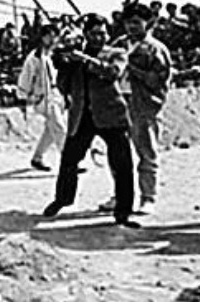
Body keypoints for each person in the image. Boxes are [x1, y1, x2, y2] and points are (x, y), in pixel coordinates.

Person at [42, 15, 138, 227]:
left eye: (102, 33)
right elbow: (64, 85)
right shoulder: (76, 55)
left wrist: (85, 60)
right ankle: (63, 199)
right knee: (69, 160)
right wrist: (65, 64)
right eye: (94, 33)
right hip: (82, 116)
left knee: (122, 165)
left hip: (112, 116)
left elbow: (113, 72)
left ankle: (123, 211)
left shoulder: (117, 53)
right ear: (85, 35)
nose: (99, 37)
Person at [118, 2, 172, 215]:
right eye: (127, 22)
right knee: (119, 154)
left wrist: (132, 69)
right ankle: (120, 195)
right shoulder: (119, 44)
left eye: (136, 22)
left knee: (146, 153)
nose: (131, 27)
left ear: (147, 23)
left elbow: (158, 80)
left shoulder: (156, 48)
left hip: (144, 105)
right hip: (119, 103)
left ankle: (148, 197)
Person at [16, 24, 67, 172]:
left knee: (51, 131)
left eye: (54, 36)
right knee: (59, 127)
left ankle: (37, 158)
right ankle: (69, 161)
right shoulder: (34, 57)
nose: (51, 39)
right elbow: (25, 78)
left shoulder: (51, 56)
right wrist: (24, 97)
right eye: (48, 35)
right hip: (42, 97)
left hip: (55, 94)